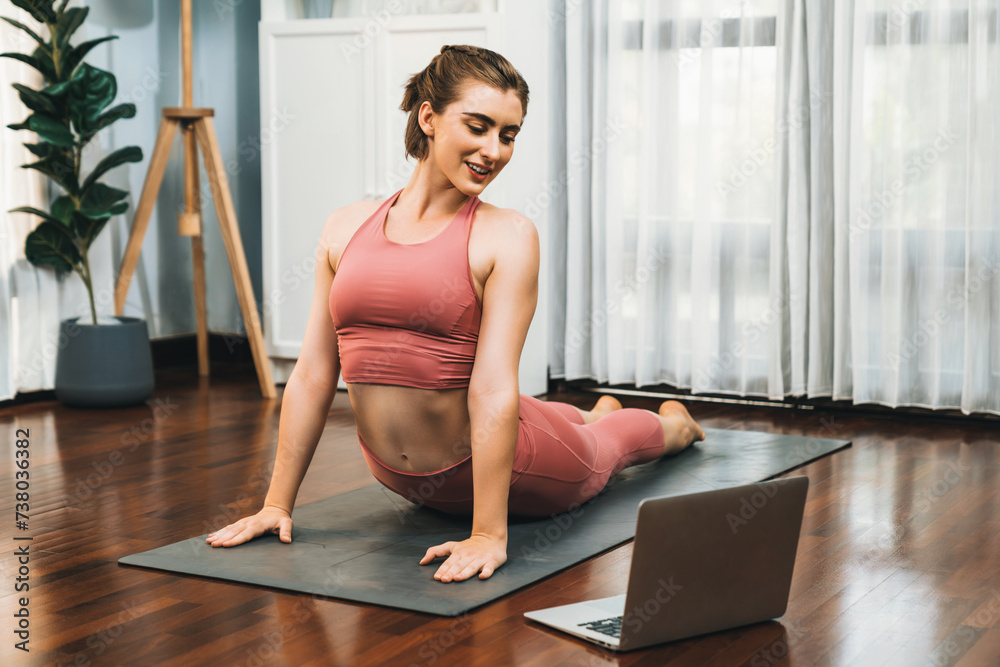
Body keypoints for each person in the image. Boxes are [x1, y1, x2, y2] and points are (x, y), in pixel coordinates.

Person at [206, 44, 705, 583]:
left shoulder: (507, 235)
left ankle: (672, 424)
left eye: (508, 135)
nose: (494, 150)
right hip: (395, 473)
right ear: (429, 117)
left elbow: (492, 388)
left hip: (515, 474)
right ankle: (590, 412)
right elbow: (312, 373)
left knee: (607, 449)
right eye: (478, 126)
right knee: (551, 417)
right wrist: (276, 505)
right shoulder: (345, 225)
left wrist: (488, 533)